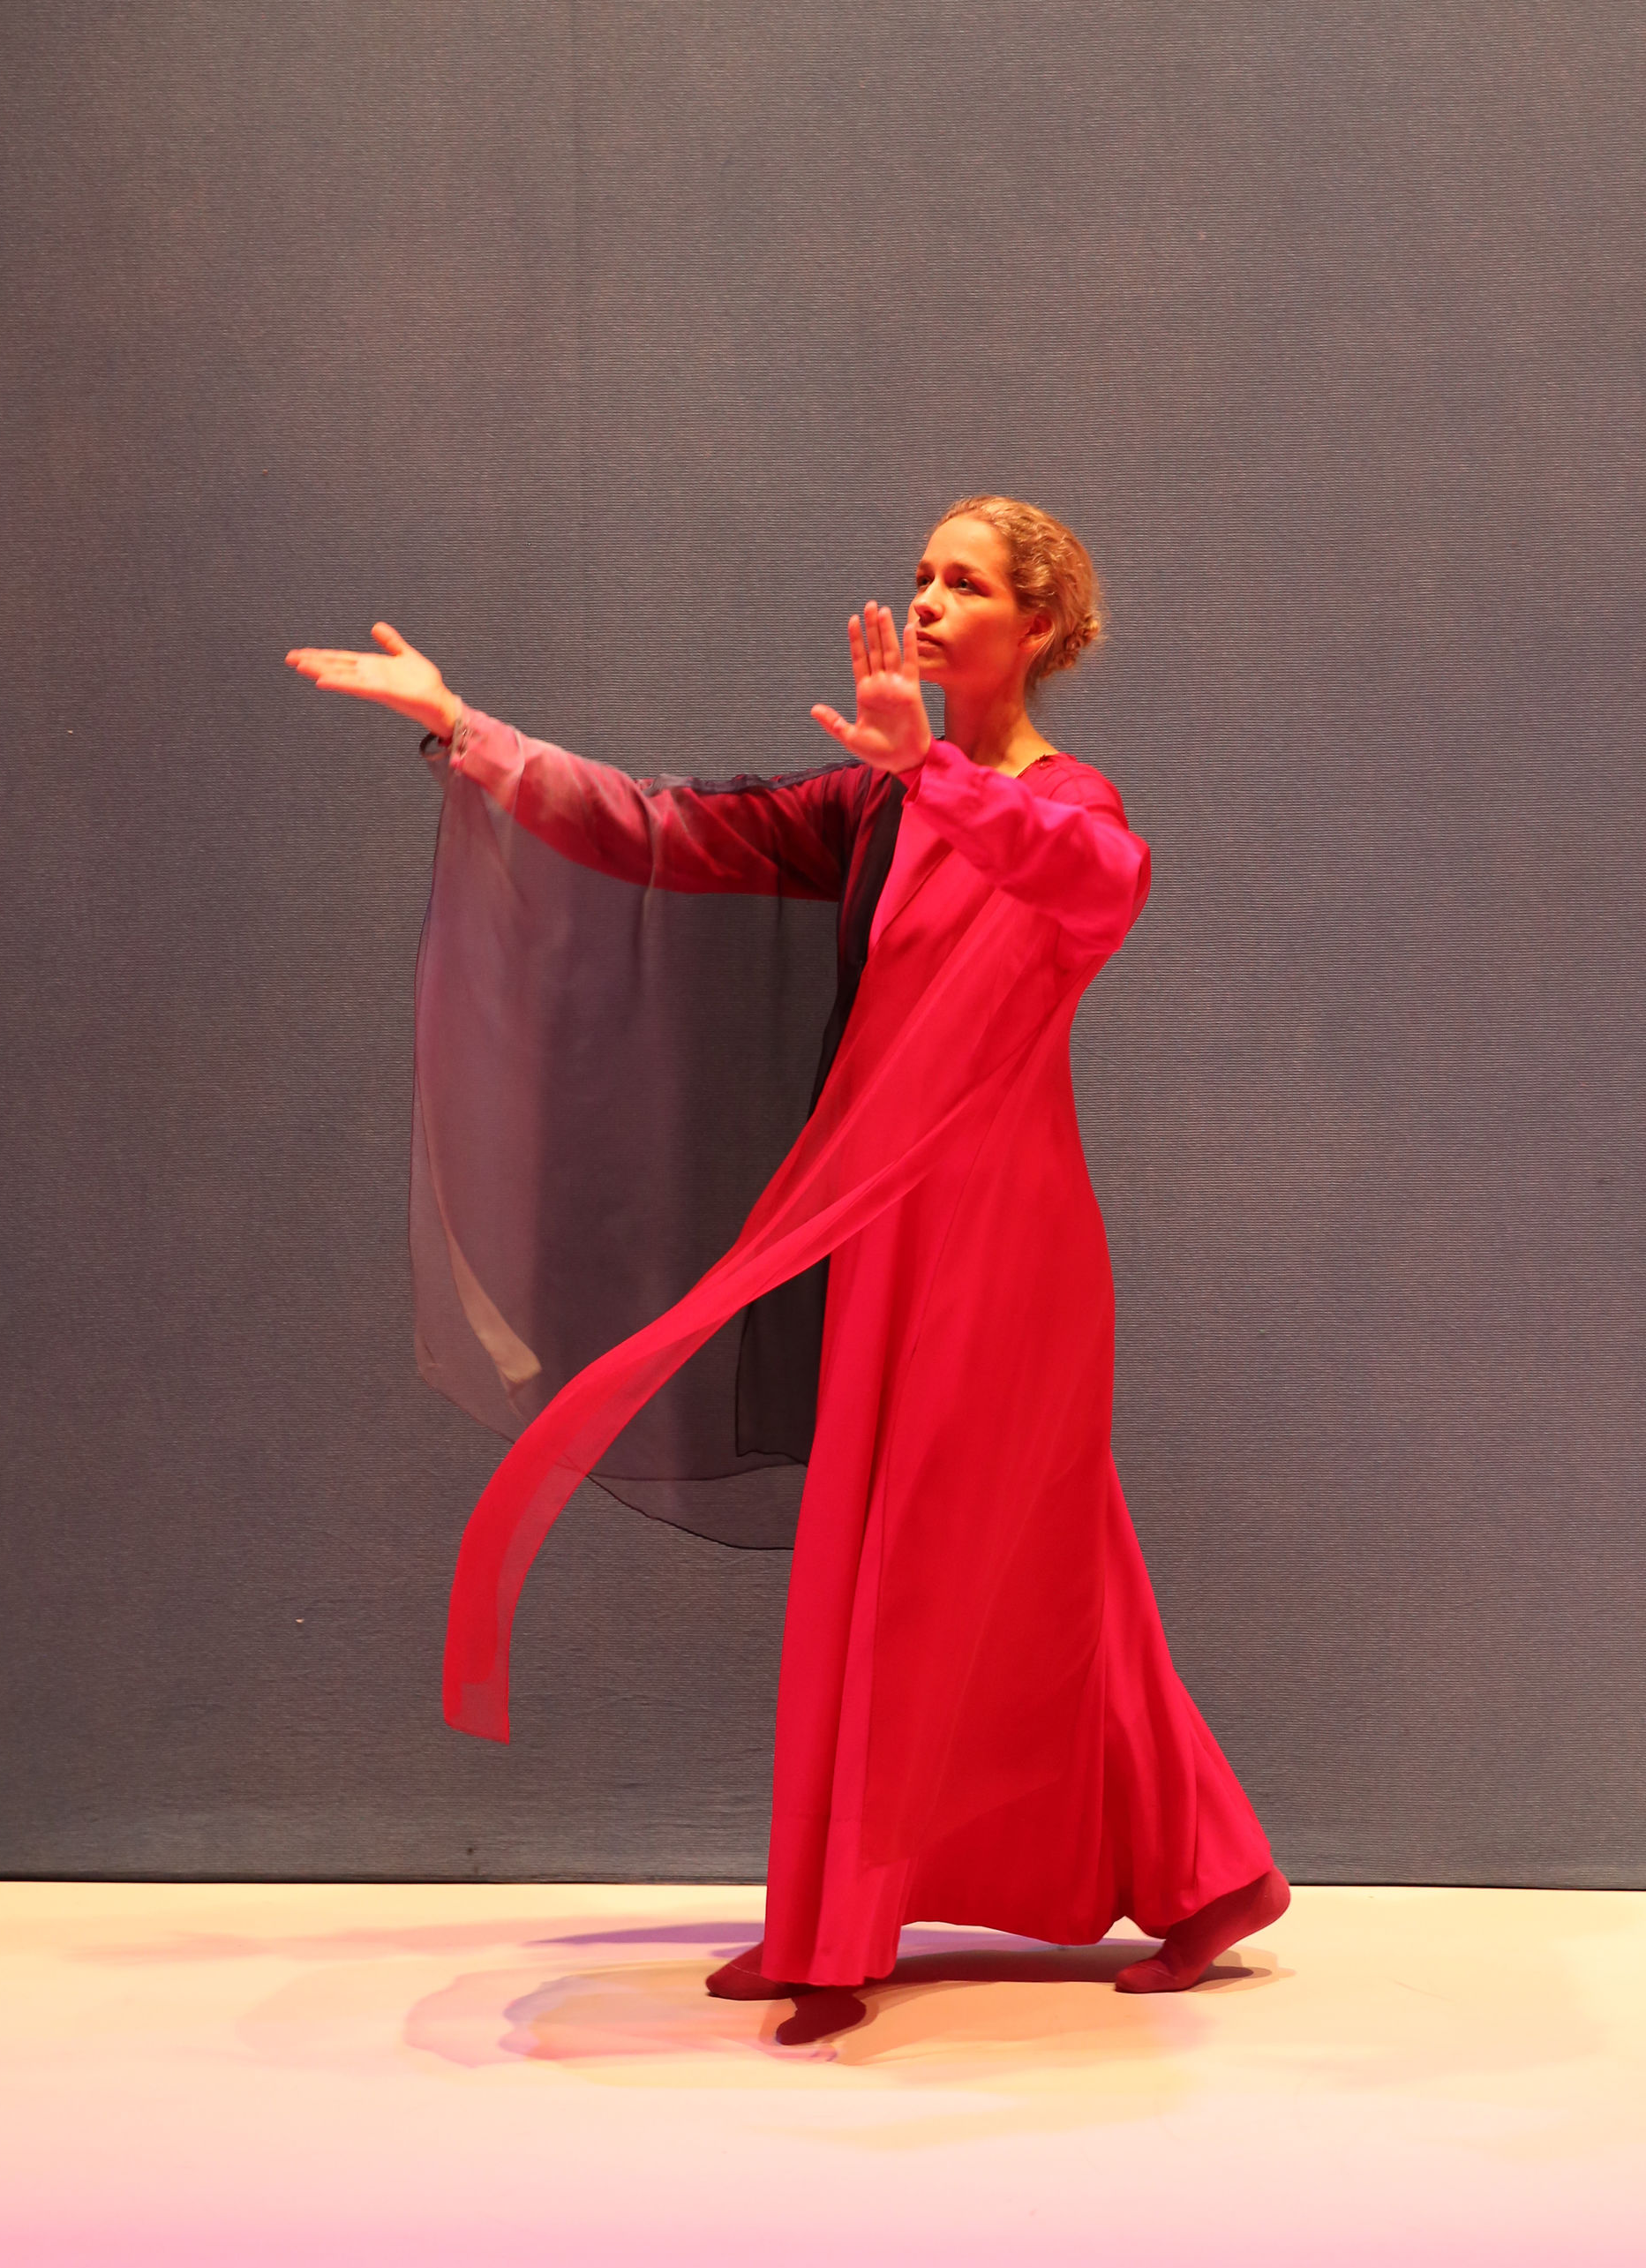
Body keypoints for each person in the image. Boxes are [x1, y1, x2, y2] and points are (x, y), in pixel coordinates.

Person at [286, 495, 1289, 1999]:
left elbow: (1094, 885)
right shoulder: (873, 805)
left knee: (929, 1568)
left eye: (966, 583)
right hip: (884, 1222)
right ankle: (1203, 1878)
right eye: (922, 575)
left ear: (1038, 627)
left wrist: (935, 769)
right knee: (1009, 1561)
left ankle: (848, 1932)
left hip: (1003, 1247)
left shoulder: (1064, 803)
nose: (929, 599)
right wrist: (464, 730)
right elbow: (659, 827)